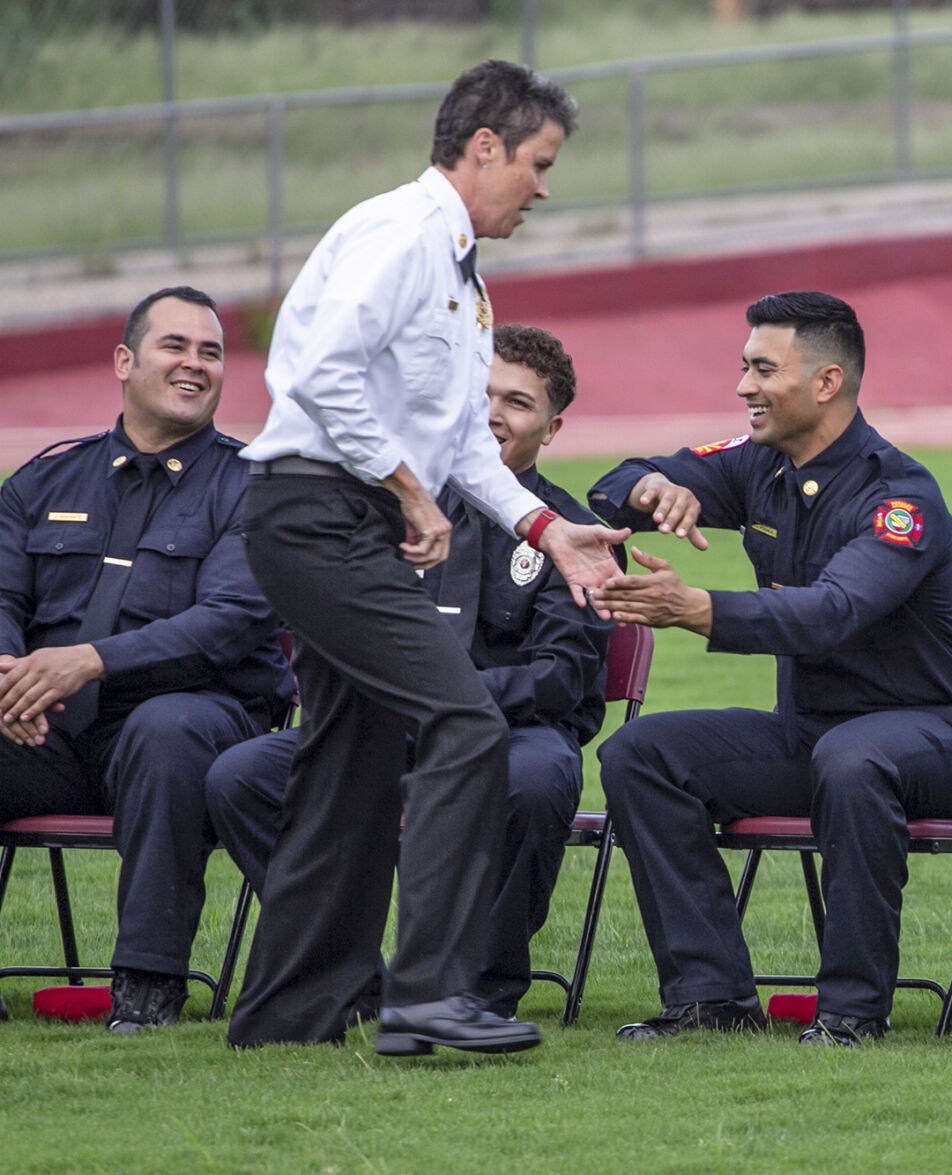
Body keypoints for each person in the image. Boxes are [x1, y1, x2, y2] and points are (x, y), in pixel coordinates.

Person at [228, 60, 627, 1056]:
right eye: (537, 162)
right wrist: (405, 487)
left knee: (348, 765)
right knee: (462, 724)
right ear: (483, 148)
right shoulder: (402, 234)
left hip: (339, 516)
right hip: (316, 513)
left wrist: (546, 529)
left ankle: (287, 1017)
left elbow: (460, 448)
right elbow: (315, 372)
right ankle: (428, 993)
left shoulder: (461, 272)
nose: (543, 185)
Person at [586, 290, 952, 1047]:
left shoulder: (901, 497)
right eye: (743, 367)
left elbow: (830, 614)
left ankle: (852, 1010)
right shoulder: (758, 466)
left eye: (762, 369)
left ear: (826, 382)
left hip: (929, 741)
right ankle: (709, 997)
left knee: (853, 758)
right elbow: (614, 481)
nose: (742, 387)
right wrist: (649, 489)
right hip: (811, 739)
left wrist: (695, 607)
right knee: (640, 754)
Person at [206, 323, 613, 1020]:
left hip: (514, 731)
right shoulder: (384, 513)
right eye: (481, 394)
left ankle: (474, 986)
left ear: (553, 427)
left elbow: (560, 677)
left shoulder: (569, 534)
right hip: (382, 724)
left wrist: (445, 700)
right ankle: (347, 968)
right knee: (242, 777)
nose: (492, 414)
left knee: (537, 779)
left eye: (517, 402)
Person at [0, 286, 292, 1033]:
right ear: (125, 361)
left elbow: (228, 622)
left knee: (169, 730)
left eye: (212, 351)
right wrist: (12, 682)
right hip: (53, 728)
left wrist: (87, 660)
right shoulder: (44, 480)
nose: (195, 364)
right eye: (176, 346)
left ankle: (146, 987)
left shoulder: (253, 485)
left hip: (203, 718)